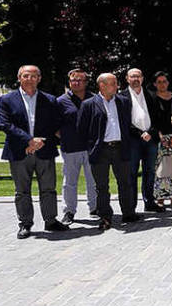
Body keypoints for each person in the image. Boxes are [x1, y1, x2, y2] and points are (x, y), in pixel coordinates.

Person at [0, 65, 67, 238]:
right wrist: (28, 140)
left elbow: (55, 123)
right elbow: (6, 125)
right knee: (22, 190)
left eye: (33, 76)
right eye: (26, 75)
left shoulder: (50, 99)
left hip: (44, 149)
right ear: (19, 78)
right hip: (19, 152)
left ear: (39, 78)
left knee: (48, 189)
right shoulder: (6, 99)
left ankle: (50, 221)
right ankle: (25, 224)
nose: (30, 79)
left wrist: (38, 142)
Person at [77, 73, 140, 229]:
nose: (116, 86)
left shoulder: (123, 102)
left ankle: (128, 213)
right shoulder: (89, 104)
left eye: (116, 83)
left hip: (120, 148)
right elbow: (81, 129)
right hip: (100, 150)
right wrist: (91, 146)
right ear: (102, 85)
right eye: (113, 83)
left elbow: (127, 125)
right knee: (102, 186)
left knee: (125, 183)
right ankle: (105, 216)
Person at [118, 68, 163, 213]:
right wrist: (140, 133)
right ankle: (131, 207)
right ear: (127, 79)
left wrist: (150, 132)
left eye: (138, 76)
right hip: (132, 141)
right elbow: (123, 122)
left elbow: (158, 117)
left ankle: (149, 202)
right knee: (131, 173)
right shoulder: (121, 97)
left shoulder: (151, 95)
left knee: (150, 172)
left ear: (142, 78)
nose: (135, 79)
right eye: (132, 76)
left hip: (151, 140)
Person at [57, 69, 97, 224]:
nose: (76, 82)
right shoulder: (61, 101)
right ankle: (69, 212)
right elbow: (54, 125)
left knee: (93, 180)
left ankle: (94, 208)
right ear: (69, 82)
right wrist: (66, 137)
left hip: (91, 148)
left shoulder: (94, 99)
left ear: (86, 82)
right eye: (73, 80)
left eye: (80, 80)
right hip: (70, 148)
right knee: (69, 182)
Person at [152, 71, 172, 206]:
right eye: (159, 82)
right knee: (160, 169)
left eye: (164, 81)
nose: (162, 84)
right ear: (155, 84)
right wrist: (160, 137)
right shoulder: (152, 98)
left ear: (168, 83)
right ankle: (160, 197)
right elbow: (153, 120)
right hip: (158, 137)